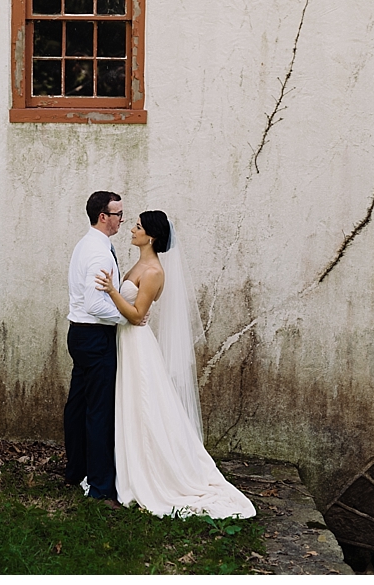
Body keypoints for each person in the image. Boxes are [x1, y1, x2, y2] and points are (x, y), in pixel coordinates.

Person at [94, 209, 256, 519]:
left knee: (143, 405)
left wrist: (112, 291)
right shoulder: (140, 263)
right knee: (130, 405)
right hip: (124, 341)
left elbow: (138, 315)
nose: (132, 229)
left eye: (138, 227)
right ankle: (125, 468)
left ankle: (152, 472)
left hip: (136, 344)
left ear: (150, 236)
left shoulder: (153, 270)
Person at [63, 190, 128, 509]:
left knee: (78, 404)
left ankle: (75, 470)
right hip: (94, 336)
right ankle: (101, 488)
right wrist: (128, 318)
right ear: (104, 216)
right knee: (99, 411)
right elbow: (94, 303)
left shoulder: (85, 244)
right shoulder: (100, 253)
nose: (121, 220)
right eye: (118, 214)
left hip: (79, 334)